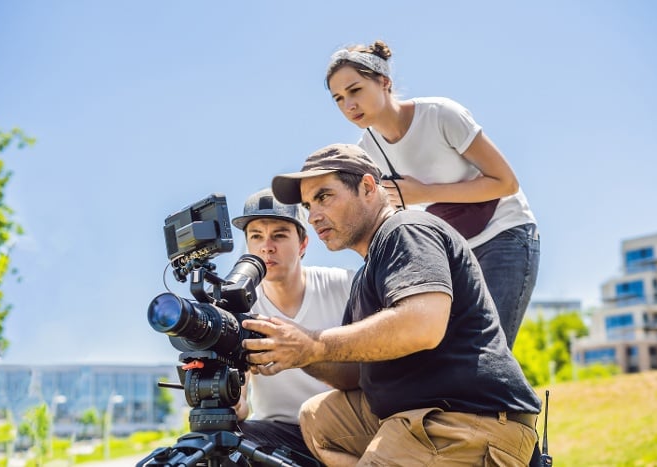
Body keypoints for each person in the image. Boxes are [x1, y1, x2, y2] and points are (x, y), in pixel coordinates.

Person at [240, 144, 541, 466]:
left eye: (324, 197)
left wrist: (313, 343)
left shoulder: (407, 229)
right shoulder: (366, 273)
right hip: (414, 414)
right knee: (319, 417)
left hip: (463, 420)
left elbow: (422, 325)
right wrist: (294, 352)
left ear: (368, 187)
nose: (314, 216)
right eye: (308, 204)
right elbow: (351, 376)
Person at [324, 40, 540, 350]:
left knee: (489, 351)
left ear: (384, 82)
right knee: (453, 356)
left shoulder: (441, 115)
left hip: (504, 235)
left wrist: (422, 193)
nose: (348, 105)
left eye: (355, 90)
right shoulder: (366, 153)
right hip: (453, 253)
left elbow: (506, 182)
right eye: (339, 99)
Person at [229, 188, 353, 463]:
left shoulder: (346, 285)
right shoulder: (239, 306)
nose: (267, 247)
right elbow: (241, 405)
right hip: (277, 433)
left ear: (303, 244)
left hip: (345, 428)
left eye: (280, 235)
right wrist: (234, 402)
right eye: (256, 236)